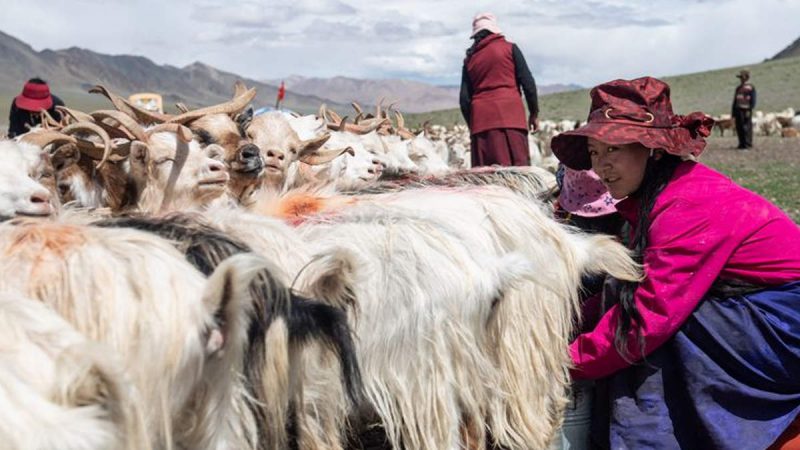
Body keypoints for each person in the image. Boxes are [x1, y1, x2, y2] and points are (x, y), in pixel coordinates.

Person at [551, 76, 800, 450]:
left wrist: (558, 364)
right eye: (594, 152)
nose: (602, 166)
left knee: (661, 328)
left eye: (613, 149)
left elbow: (643, 321)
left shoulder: (686, 205)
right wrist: (554, 323)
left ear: (653, 149)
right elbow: (621, 286)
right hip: (758, 309)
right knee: (625, 293)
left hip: (782, 326)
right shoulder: (654, 198)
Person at [459, 12, 539, 168]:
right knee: (519, 173)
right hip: (512, 118)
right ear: (494, 29)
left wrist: (475, 125)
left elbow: (464, 100)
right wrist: (534, 113)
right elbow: (528, 83)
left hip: (481, 124)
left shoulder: (470, 59)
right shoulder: (510, 49)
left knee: (486, 180)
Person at [732, 69, 756, 149]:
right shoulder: (738, 88)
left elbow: (753, 99)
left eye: (742, 77)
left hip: (746, 109)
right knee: (739, 127)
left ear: (746, 78)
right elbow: (735, 100)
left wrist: (750, 108)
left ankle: (748, 144)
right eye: (740, 78)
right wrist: (733, 112)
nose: (741, 79)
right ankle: (741, 144)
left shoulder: (751, 87)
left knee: (747, 126)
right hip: (738, 109)